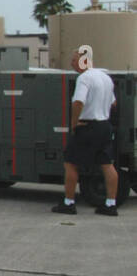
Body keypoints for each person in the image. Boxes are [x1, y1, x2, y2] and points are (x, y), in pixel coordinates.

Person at [53, 46, 118, 217]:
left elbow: (78, 102)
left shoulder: (84, 78)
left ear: (83, 61)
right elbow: (113, 104)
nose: (71, 63)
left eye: (74, 60)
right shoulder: (105, 78)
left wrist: (74, 123)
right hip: (104, 125)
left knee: (71, 162)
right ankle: (110, 204)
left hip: (88, 126)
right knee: (107, 165)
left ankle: (69, 203)